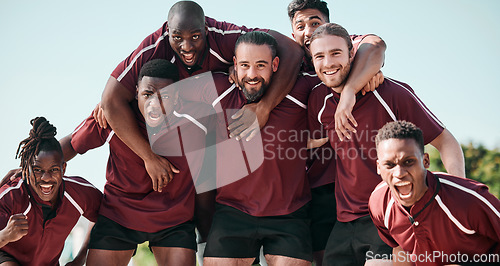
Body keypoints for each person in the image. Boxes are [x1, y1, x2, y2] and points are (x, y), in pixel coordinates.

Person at [97, 0, 304, 195]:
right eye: (177, 37)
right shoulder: (154, 47)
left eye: (195, 37)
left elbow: (291, 49)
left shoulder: (222, 35)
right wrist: (149, 157)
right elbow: (111, 100)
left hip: (219, 136)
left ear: (206, 30)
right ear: (168, 31)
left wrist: (264, 107)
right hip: (183, 138)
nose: (186, 47)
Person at [307, 23, 465, 265]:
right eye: (320, 56)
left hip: (391, 215)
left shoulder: (391, 93)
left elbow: (447, 142)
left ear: (352, 54)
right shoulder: (319, 99)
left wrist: (459, 197)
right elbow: (315, 138)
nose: (328, 63)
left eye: (336, 53)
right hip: (345, 221)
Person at [178, 31, 319, 265]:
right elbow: (157, 94)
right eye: (244, 65)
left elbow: (339, 81)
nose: (252, 75)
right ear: (234, 64)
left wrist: (372, 75)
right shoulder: (215, 87)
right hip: (232, 211)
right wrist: (113, 101)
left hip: (289, 212)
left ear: (275, 64)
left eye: (261, 65)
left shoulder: (301, 88)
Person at [62, 59, 212, 265]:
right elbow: (71, 144)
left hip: (173, 219)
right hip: (119, 215)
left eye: (164, 96)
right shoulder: (114, 117)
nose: (154, 103)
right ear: (135, 92)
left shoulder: (197, 122)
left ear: (177, 97)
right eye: (147, 94)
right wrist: (29, 166)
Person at [287, 1, 386, 264]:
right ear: (292, 33)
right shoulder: (288, 62)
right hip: (311, 185)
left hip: (354, 190)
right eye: (301, 26)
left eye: (315, 23)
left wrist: (352, 89)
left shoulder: (340, 47)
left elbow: (375, 46)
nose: (308, 30)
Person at [369, 121, 500, 265]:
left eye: (408, 162)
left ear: (425, 161)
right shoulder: (379, 202)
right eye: (390, 165)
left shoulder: (468, 198)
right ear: (379, 167)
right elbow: (400, 249)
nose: (399, 173)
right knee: (375, 264)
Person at [0, 117, 102, 265]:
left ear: (64, 169)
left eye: (53, 169)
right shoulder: (11, 196)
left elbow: (106, 215)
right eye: (37, 170)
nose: (46, 178)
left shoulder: (78, 194)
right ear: (26, 169)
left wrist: (80, 258)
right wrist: (5, 235)